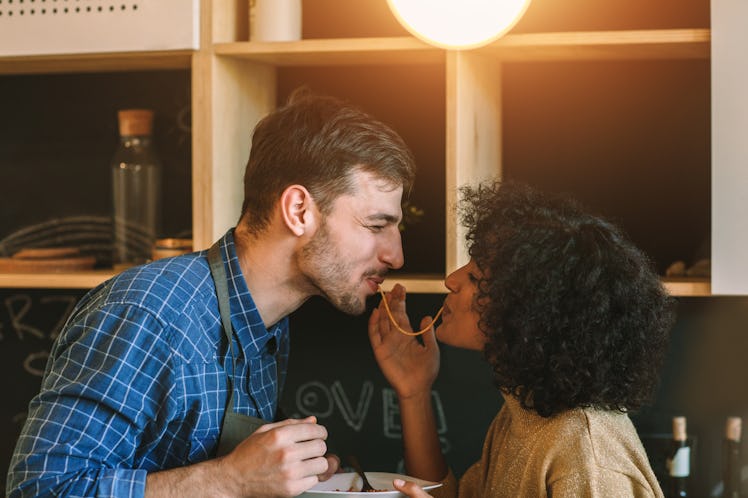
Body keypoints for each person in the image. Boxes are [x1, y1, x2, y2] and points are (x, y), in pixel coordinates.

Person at [6, 89, 417, 498]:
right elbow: (38, 489)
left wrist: (297, 475)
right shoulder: (148, 315)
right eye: (376, 225)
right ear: (298, 212)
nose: (395, 255)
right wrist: (229, 480)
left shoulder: (267, 323)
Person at [369, 180, 676, 498]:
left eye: (475, 277)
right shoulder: (527, 412)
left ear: (530, 310)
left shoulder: (587, 457)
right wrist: (414, 393)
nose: (452, 280)